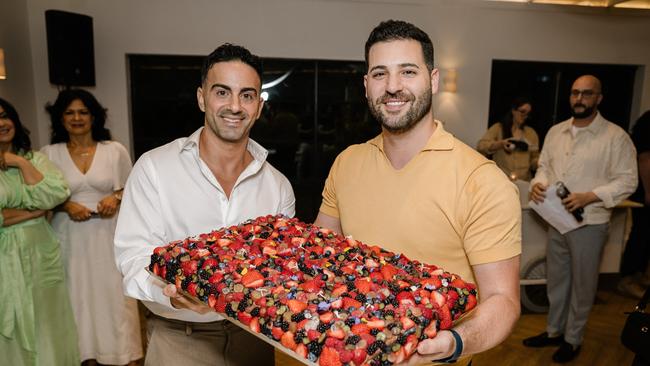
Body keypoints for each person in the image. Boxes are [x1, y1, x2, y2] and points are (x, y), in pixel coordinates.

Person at [314, 20, 522, 365]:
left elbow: (503, 300)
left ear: (433, 79)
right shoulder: (347, 162)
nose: (392, 87)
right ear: (366, 86)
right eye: (380, 74)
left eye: (408, 71)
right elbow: (320, 256)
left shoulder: (482, 180)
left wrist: (454, 342)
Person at [114, 43, 295, 366]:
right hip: (179, 340)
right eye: (222, 92)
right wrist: (173, 293)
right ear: (202, 98)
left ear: (258, 106)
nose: (235, 106)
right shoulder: (154, 168)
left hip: (253, 341)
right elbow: (132, 256)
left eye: (247, 95)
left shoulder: (278, 185)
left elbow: (279, 270)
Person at [524, 75, 638, 363]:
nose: (579, 99)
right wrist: (538, 182)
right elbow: (544, 167)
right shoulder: (555, 131)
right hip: (556, 219)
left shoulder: (615, 137)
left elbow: (628, 181)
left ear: (598, 98)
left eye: (587, 94)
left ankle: (573, 339)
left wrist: (591, 195)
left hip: (590, 222)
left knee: (583, 285)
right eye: (575, 93)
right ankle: (553, 332)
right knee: (557, 280)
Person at [42, 89, 142, 366]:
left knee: (115, 302)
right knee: (77, 301)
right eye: (70, 112)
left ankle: (124, 356)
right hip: (68, 238)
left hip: (108, 236)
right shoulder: (49, 154)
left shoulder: (114, 150)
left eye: (83, 112)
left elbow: (134, 189)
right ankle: (84, 356)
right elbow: (40, 198)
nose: (77, 118)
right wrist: (64, 205)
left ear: (94, 116)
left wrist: (116, 197)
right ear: (60, 118)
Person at [0, 98, 79, 365]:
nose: (1, 123)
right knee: (9, 317)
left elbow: (55, 195)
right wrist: (33, 212)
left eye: (4, 116)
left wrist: (19, 163)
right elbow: (44, 204)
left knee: (47, 318)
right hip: (4, 257)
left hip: (40, 253)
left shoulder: (35, 160)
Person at [618, 110, 650, 299]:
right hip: (644, 190)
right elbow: (645, 158)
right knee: (641, 234)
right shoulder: (648, 122)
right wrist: (648, 191)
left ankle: (640, 276)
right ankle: (628, 278)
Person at [477, 97, 540, 181]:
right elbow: (481, 146)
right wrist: (500, 144)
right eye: (522, 112)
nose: (525, 116)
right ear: (513, 110)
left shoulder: (531, 133)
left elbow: (534, 158)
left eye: (528, 113)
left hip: (524, 181)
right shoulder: (498, 128)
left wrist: (539, 163)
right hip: (502, 180)